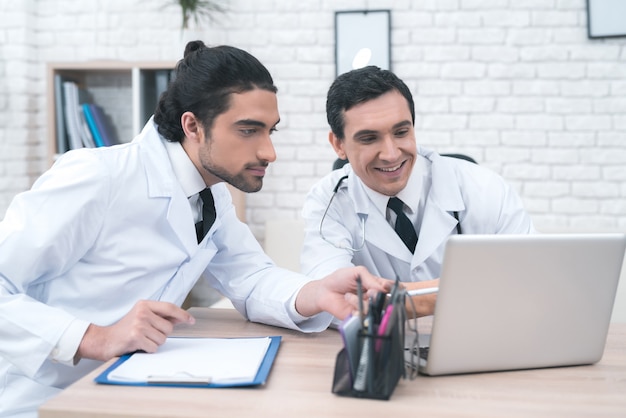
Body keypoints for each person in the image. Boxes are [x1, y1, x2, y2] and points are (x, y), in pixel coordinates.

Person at [0, 42, 390, 417]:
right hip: (47, 401)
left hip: (127, 390)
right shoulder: (99, 176)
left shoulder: (211, 196)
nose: (269, 152)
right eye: (248, 130)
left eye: (270, 131)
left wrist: (318, 292)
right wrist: (94, 337)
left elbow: (250, 277)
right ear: (193, 125)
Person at [300, 65, 534, 317]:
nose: (391, 154)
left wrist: (393, 300)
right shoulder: (329, 201)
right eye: (369, 138)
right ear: (338, 144)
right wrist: (472, 290)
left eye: (401, 132)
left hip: (477, 341)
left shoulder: (484, 188)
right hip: (381, 350)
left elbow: (531, 276)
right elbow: (334, 300)